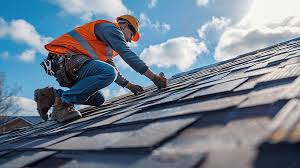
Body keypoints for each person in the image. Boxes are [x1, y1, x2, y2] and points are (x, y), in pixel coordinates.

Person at [34, 15, 167, 122]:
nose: (130, 40)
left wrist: (130, 86)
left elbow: (112, 69)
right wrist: (154, 78)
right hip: (66, 60)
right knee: (108, 73)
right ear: (124, 25)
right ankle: (62, 104)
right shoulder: (111, 29)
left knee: (98, 99)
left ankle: (49, 95)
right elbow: (126, 55)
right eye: (131, 35)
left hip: (72, 66)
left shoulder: (106, 45)